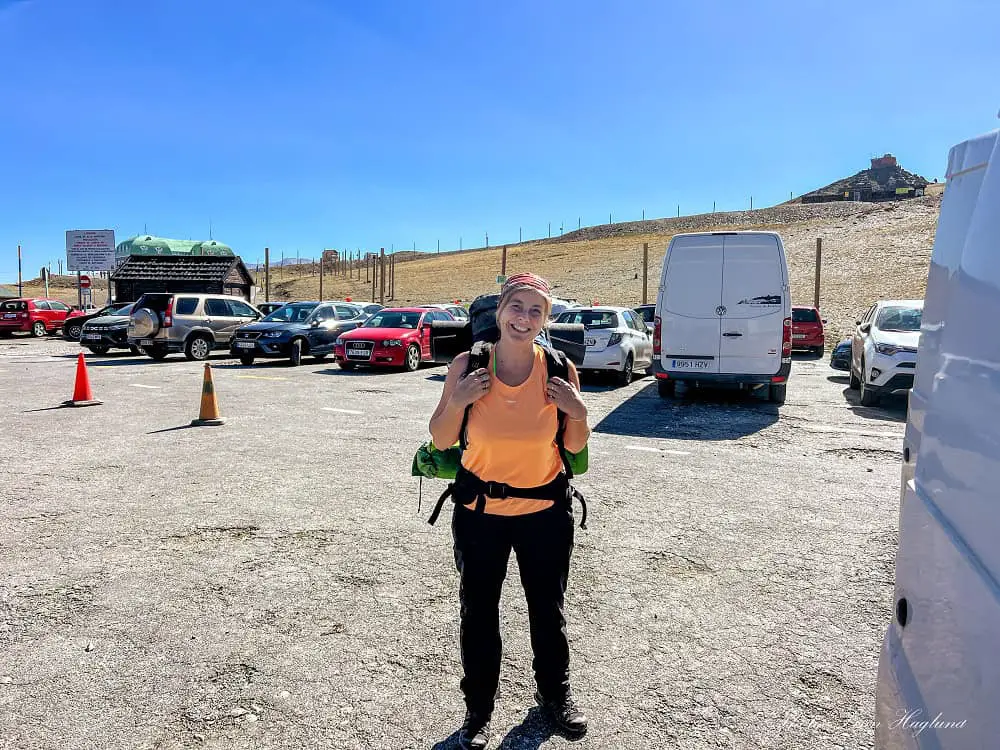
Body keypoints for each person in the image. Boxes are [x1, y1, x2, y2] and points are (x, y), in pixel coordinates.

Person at [429, 272, 591, 749]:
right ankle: (478, 710)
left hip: (544, 513)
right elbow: (441, 438)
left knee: (548, 610)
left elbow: (574, 448)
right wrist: (458, 399)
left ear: (547, 318)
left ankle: (554, 696)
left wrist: (578, 411)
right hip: (479, 514)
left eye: (535, 310)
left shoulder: (559, 368)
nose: (524, 318)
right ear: (499, 311)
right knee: (478, 614)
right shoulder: (468, 364)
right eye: (516, 307)